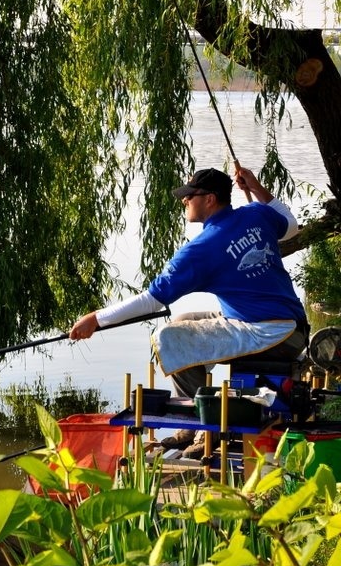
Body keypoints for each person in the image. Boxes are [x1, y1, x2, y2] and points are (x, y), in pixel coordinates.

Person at [69, 166, 308, 457]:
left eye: (189, 196)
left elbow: (152, 299)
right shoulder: (255, 214)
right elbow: (291, 225)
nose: (184, 201)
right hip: (296, 327)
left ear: (209, 199)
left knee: (168, 337)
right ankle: (195, 423)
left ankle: (207, 428)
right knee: (182, 322)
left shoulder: (203, 249)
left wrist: (96, 319)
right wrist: (256, 186)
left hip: (272, 334)